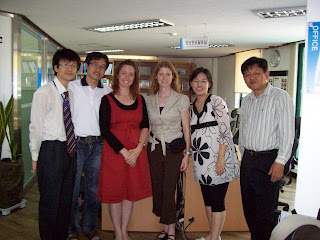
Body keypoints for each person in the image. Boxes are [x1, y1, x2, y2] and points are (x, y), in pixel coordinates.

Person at [239, 57, 294, 240]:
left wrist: (280, 162)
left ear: (266, 75)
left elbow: (287, 133)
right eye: (247, 75)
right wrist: (242, 154)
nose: (252, 78)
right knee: (249, 208)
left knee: (265, 212)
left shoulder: (280, 97)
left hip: (269, 161)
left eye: (256, 73)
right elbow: (244, 130)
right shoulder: (246, 100)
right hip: (248, 160)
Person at [29, 48, 80, 240]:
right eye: (65, 64)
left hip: (70, 150)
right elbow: (35, 127)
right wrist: (35, 157)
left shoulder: (72, 93)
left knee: (66, 201)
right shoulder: (43, 93)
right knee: (50, 202)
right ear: (56, 68)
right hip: (50, 150)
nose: (69, 68)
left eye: (73, 65)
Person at [98, 60, 152, 240]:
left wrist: (137, 149)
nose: (127, 77)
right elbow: (104, 130)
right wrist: (124, 152)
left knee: (130, 192)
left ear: (135, 77)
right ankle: (118, 233)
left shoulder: (140, 99)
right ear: (117, 75)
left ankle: (125, 230)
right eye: (123, 73)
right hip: (115, 154)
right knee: (115, 193)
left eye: (131, 74)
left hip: (136, 153)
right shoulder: (106, 100)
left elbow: (145, 125)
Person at [189, 67, 240, 240]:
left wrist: (220, 159)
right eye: (196, 81)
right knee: (208, 200)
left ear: (209, 84)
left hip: (219, 159)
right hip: (201, 162)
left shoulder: (217, 102)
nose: (200, 84)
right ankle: (214, 235)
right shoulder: (190, 108)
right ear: (191, 84)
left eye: (204, 81)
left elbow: (226, 132)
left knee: (217, 200)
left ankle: (214, 237)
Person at [67, 52, 112, 240]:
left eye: (102, 67)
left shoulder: (107, 91)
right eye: (94, 64)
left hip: (98, 144)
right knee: (73, 188)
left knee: (94, 189)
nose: (98, 69)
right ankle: (72, 230)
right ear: (86, 66)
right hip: (76, 144)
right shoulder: (72, 87)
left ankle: (90, 226)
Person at [146, 61, 190, 240]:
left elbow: (187, 128)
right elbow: (147, 126)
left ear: (173, 77)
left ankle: (171, 230)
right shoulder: (148, 99)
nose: (164, 78)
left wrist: (187, 154)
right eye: (161, 74)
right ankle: (164, 227)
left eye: (168, 74)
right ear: (156, 77)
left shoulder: (181, 99)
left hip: (174, 149)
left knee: (169, 187)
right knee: (158, 187)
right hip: (154, 148)